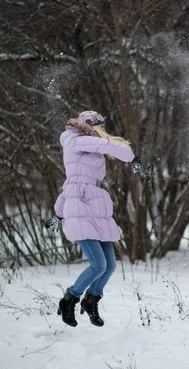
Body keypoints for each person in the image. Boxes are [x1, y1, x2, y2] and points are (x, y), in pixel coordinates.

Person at [45, 111, 150, 328]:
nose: (103, 131)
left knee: (110, 265)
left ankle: (91, 299)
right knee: (97, 265)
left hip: (94, 206)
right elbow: (109, 148)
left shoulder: (87, 144)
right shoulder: (76, 141)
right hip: (82, 209)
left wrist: (58, 213)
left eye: (103, 127)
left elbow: (69, 187)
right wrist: (133, 158)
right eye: (99, 127)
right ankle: (69, 300)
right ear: (88, 126)